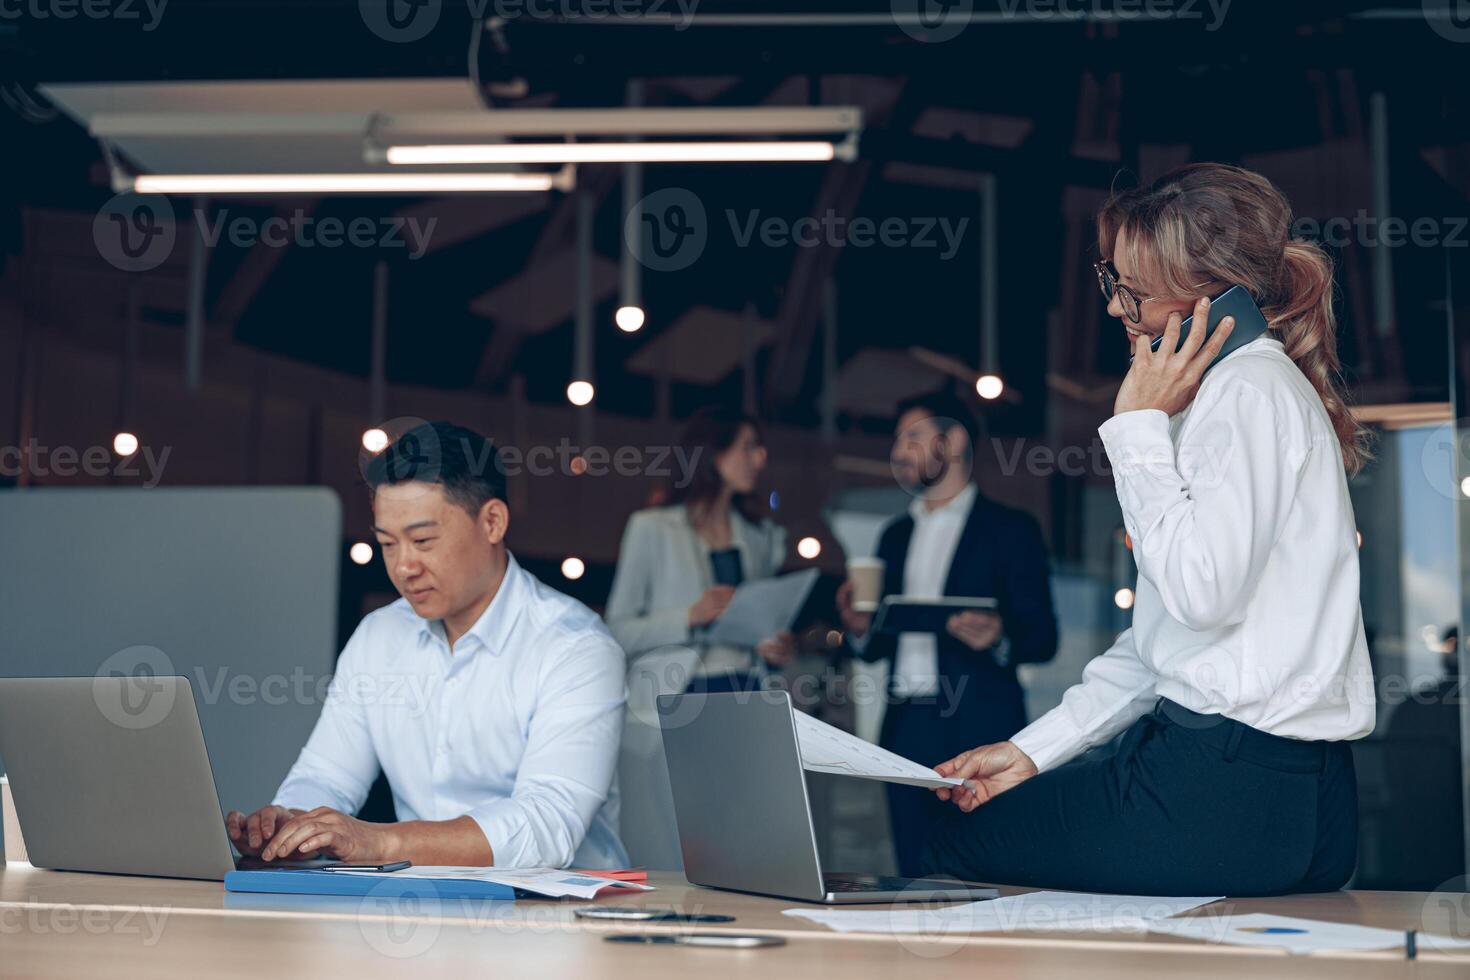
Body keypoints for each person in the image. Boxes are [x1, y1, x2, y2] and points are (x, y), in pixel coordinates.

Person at [922, 163, 1376, 896]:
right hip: (1293, 799)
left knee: (957, 838)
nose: (1113, 310)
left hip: (1221, 788)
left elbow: (1200, 598)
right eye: (1114, 281)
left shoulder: (1245, 393)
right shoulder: (1244, 392)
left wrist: (1135, 427)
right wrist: (1032, 751)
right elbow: (1166, 644)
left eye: (1129, 290)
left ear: (1207, 296)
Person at [226, 421, 629, 869]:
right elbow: (327, 777)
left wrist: (380, 841)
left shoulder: (576, 648)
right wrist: (290, 826)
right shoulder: (378, 637)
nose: (403, 567)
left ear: (492, 522)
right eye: (386, 544)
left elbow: (547, 826)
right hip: (422, 907)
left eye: (422, 541)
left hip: (564, 919)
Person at [835, 388, 1058, 876]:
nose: (899, 452)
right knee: (912, 869)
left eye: (913, 437)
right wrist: (857, 629)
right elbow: (876, 646)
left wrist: (998, 637)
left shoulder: (1010, 529)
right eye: (897, 441)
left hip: (980, 726)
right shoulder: (893, 536)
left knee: (987, 870)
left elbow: (1043, 638)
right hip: (905, 726)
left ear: (953, 441)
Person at [606, 406, 796, 693]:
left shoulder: (760, 538)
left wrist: (775, 647)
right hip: (678, 695)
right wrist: (689, 617)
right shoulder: (651, 528)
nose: (759, 459)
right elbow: (617, 632)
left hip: (748, 689)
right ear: (713, 451)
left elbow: (763, 623)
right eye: (748, 447)